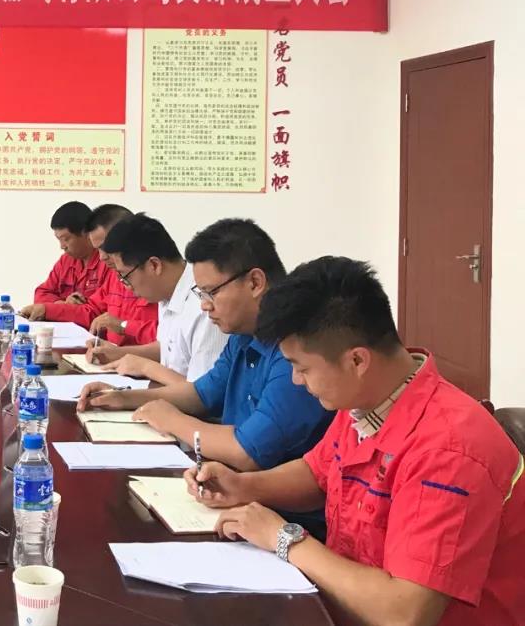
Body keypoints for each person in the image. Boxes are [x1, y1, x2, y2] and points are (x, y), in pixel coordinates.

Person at [187, 256, 524, 626]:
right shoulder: (366, 400)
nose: (296, 381)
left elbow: (404, 612)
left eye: (302, 367)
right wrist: (243, 486)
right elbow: (318, 473)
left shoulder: (449, 449)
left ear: (358, 361)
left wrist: (284, 538)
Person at [77, 218, 332, 473]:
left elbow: (247, 452)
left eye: (212, 292)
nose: (204, 305)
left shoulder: (296, 351)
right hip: (226, 477)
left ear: (255, 282)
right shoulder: (242, 335)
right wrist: (123, 397)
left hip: (258, 490)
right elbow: (201, 395)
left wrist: (172, 420)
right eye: (201, 294)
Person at [88, 213, 228, 384]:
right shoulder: (166, 292)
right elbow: (168, 348)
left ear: (154, 265)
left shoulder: (204, 307)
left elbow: (204, 392)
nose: (126, 286)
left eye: (125, 276)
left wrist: (146, 367)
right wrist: (118, 353)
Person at [21, 204, 157, 346]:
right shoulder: (115, 275)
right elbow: (91, 310)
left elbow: (162, 340)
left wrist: (123, 329)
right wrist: (49, 308)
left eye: (107, 248)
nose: (102, 257)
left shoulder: (152, 278)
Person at [33, 201, 108, 305]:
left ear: (86, 233)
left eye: (65, 239)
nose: (62, 246)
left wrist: (70, 308)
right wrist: (61, 304)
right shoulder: (65, 261)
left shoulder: (108, 261)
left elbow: (106, 305)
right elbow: (41, 293)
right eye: (58, 239)